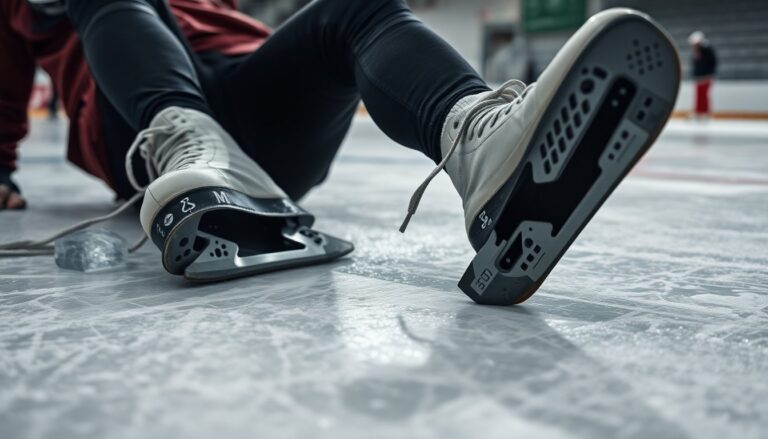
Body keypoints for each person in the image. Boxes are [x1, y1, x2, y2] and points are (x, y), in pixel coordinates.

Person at [0, 1, 679, 303]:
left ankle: (481, 146)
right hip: (142, 123)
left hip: (258, 111)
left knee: (356, 7)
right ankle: (192, 145)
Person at [688, 31, 717, 119]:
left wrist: (709, 74)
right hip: (699, 77)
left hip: (706, 76)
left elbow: (711, 63)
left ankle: (705, 113)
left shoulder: (707, 51)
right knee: (699, 95)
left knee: (703, 95)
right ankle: (699, 112)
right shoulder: (697, 51)